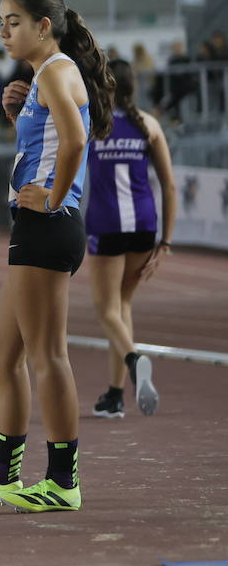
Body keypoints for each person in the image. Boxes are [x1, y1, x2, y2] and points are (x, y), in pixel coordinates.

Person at [0, 0, 114, 514]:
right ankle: (4, 476)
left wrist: (54, 197)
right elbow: (47, 143)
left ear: (44, 26)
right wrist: (17, 116)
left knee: (48, 356)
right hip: (34, 227)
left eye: (13, 22)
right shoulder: (43, 76)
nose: (3, 32)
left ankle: (63, 481)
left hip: (48, 226)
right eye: (0, 22)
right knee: (2, 353)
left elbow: (75, 141)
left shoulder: (56, 71)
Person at [85, 60, 175, 419]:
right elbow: (169, 185)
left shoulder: (92, 125)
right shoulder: (148, 124)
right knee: (122, 305)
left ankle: (134, 360)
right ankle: (114, 395)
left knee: (106, 310)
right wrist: (166, 242)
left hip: (106, 224)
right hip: (143, 226)